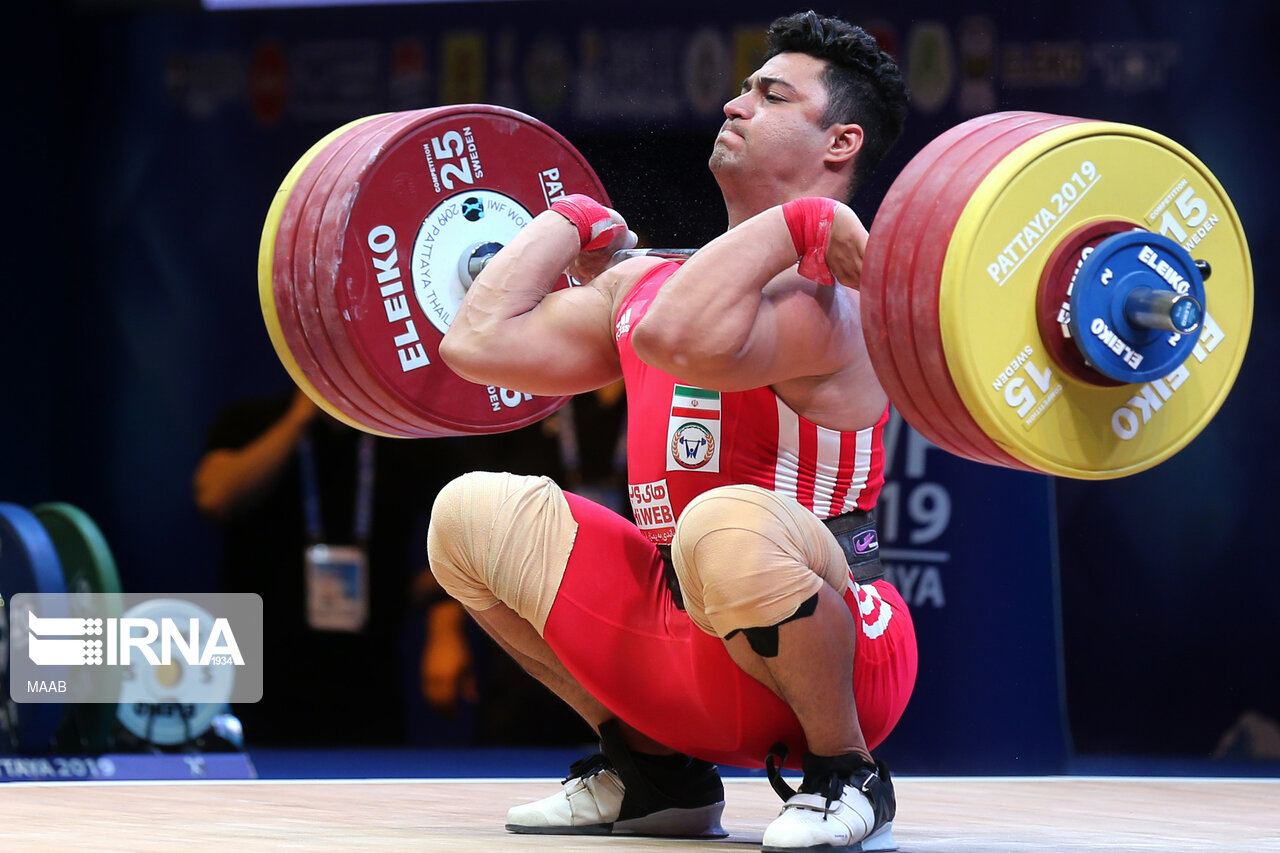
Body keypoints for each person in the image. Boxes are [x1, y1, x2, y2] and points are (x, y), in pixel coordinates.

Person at [426, 11, 917, 853]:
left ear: (840, 143)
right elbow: (475, 345)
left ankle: (848, 774)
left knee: (721, 520)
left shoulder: (835, 303)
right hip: (676, 641)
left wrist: (805, 227)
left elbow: (676, 339)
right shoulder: (656, 282)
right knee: (466, 515)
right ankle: (656, 774)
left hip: (841, 653)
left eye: (768, 94)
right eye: (740, 90)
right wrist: (569, 220)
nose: (734, 105)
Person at [194, 386, 450, 746]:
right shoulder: (249, 420)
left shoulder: (402, 433)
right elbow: (216, 497)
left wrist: (406, 600)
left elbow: (469, 536)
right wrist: (299, 419)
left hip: (369, 674)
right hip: (266, 672)